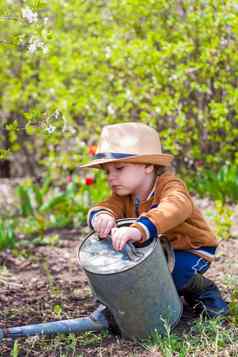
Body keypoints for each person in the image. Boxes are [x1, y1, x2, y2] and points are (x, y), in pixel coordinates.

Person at [80, 122, 228, 318]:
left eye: (119, 168)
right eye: (107, 172)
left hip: (190, 248)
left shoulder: (169, 186)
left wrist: (139, 229)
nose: (111, 177)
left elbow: (175, 207)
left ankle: (202, 291)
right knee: (139, 280)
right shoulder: (124, 195)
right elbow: (106, 206)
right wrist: (102, 216)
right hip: (155, 252)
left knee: (170, 277)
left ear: (148, 165)